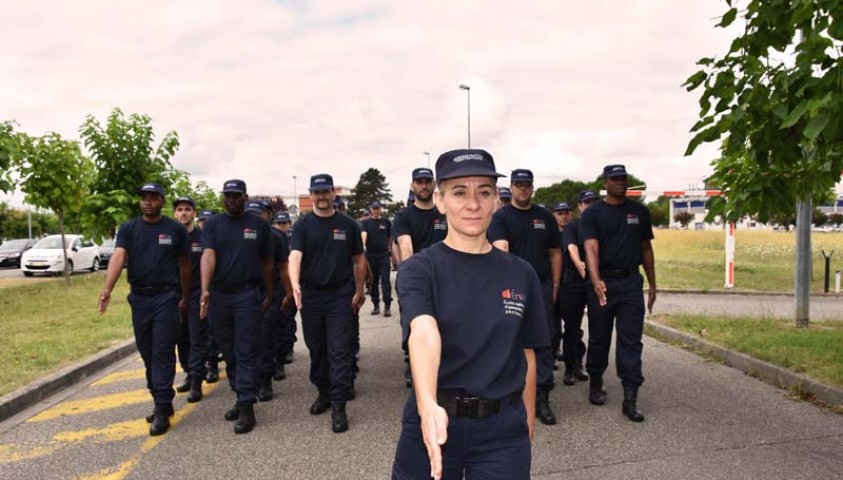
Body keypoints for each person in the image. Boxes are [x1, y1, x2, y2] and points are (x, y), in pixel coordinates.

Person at [392, 149, 549, 480]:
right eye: (460, 192)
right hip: (433, 418)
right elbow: (423, 333)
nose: (473, 204)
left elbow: (527, 352)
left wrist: (527, 420)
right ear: (440, 200)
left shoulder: (521, 274)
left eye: (484, 192)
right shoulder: (419, 270)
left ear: (496, 201)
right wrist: (427, 404)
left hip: (502, 431)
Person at [98, 182, 190, 436]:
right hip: (139, 299)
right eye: (144, 198)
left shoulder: (175, 229)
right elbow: (119, 257)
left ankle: (161, 406)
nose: (147, 202)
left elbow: (184, 264)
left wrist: (185, 297)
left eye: (153, 197)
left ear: (162, 201)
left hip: (166, 297)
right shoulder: (129, 228)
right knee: (147, 353)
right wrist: (107, 289)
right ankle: (160, 398)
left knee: (162, 351)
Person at [288, 173, 367, 433]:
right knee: (317, 348)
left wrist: (359, 290)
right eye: (317, 192)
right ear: (311, 194)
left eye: (325, 191)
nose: (321, 196)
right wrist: (295, 284)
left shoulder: (348, 225)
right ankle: (323, 392)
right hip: (311, 295)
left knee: (339, 350)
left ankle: (339, 405)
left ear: (333, 192)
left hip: (339, 295)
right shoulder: (303, 224)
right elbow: (295, 256)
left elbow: (359, 260)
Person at [580, 165, 656, 422]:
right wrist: (595, 280)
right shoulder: (593, 214)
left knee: (631, 341)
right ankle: (596, 380)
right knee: (599, 338)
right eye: (614, 179)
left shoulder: (640, 212)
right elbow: (590, 248)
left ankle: (630, 397)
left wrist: (653, 285)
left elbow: (646, 249)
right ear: (605, 183)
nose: (620, 183)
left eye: (623, 178)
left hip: (631, 283)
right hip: (603, 282)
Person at [487, 169, 562, 426]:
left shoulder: (545, 217)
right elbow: (501, 251)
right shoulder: (501, 217)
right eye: (518, 184)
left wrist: (555, 284)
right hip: (512, 288)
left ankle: (542, 397)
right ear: (511, 187)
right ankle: (509, 394)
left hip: (542, 286)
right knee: (510, 340)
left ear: (532, 187)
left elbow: (555, 252)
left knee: (543, 341)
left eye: (526, 184)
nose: (522, 189)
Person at [199, 179, 274, 434]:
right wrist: (205, 289)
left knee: (245, 350)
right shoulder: (213, 225)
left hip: (247, 295)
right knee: (228, 351)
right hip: (220, 296)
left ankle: (246, 406)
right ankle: (239, 394)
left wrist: (269, 293)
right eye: (228, 195)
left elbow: (267, 261)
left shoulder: (258, 225)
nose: (231, 200)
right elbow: (208, 256)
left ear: (245, 197)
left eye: (236, 195)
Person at [245, 200, 292, 402]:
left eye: (259, 214)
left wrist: (289, 292)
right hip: (245, 292)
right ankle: (249, 377)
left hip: (271, 291)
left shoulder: (276, 237)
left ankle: (266, 379)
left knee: (267, 335)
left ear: (267, 215)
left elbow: (284, 267)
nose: (255, 218)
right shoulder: (241, 234)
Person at [558, 192, 598, 386]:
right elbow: (571, 247)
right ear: (580, 206)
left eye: (593, 202)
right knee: (572, 327)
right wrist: (580, 264)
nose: (590, 206)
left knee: (598, 329)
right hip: (574, 280)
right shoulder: (572, 226)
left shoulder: (600, 226)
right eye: (586, 202)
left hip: (595, 280)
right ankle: (569, 367)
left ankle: (585, 366)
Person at [173, 196, 208, 403]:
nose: (183, 213)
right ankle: (188, 372)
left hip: (197, 293)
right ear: (175, 213)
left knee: (197, 338)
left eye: (187, 209)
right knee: (181, 338)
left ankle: (196, 381)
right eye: (180, 210)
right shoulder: (170, 237)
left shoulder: (203, 237)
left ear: (194, 213)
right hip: (174, 294)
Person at [393, 167, 447, 263]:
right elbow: (405, 247)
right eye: (419, 182)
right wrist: (408, 270)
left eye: (427, 182)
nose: (424, 186)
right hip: (418, 269)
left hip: (445, 268)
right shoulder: (403, 216)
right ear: (412, 186)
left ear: (434, 185)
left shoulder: (445, 213)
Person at [197, 208, 221, 383]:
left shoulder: (218, 239)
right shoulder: (190, 238)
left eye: (208, 221)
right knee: (197, 333)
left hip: (214, 290)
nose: (204, 224)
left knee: (213, 330)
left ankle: (212, 364)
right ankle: (195, 371)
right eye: (202, 221)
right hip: (193, 291)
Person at [272, 211, 298, 372]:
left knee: (288, 317)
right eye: (279, 224)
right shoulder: (272, 239)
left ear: (289, 224)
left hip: (290, 282)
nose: (282, 226)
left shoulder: (293, 239)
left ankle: (288, 347)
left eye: (284, 223)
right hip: (275, 282)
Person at [361, 201, 393, 317]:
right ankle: (376, 305)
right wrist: (363, 245)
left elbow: (389, 237)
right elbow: (364, 234)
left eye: (377, 208)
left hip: (384, 255)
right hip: (371, 255)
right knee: (372, 282)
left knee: (385, 281)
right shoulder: (366, 223)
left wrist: (389, 248)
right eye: (374, 208)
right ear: (370, 209)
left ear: (381, 209)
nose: (375, 210)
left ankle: (387, 306)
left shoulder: (386, 222)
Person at [550, 201, 573, 366]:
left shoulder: (575, 232)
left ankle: (573, 360)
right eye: (560, 213)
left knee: (572, 324)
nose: (564, 216)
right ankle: (552, 352)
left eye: (566, 213)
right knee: (552, 321)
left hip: (571, 283)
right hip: (553, 282)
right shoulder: (550, 234)